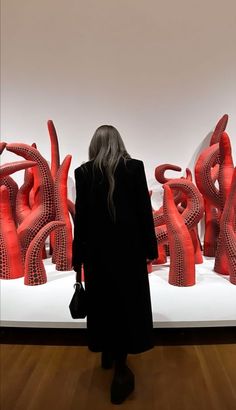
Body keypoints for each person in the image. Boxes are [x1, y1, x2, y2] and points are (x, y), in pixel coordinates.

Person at [72, 125, 157, 404]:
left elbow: (80, 222)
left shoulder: (84, 173)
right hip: (128, 256)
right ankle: (121, 368)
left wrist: (78, 259)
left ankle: (110, 355)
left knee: (104, 305)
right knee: (126, 307)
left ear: (95, 144)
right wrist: (150, 249)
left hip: (98, 257)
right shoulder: (134, 168)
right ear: (119, 142)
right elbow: (145, 212)